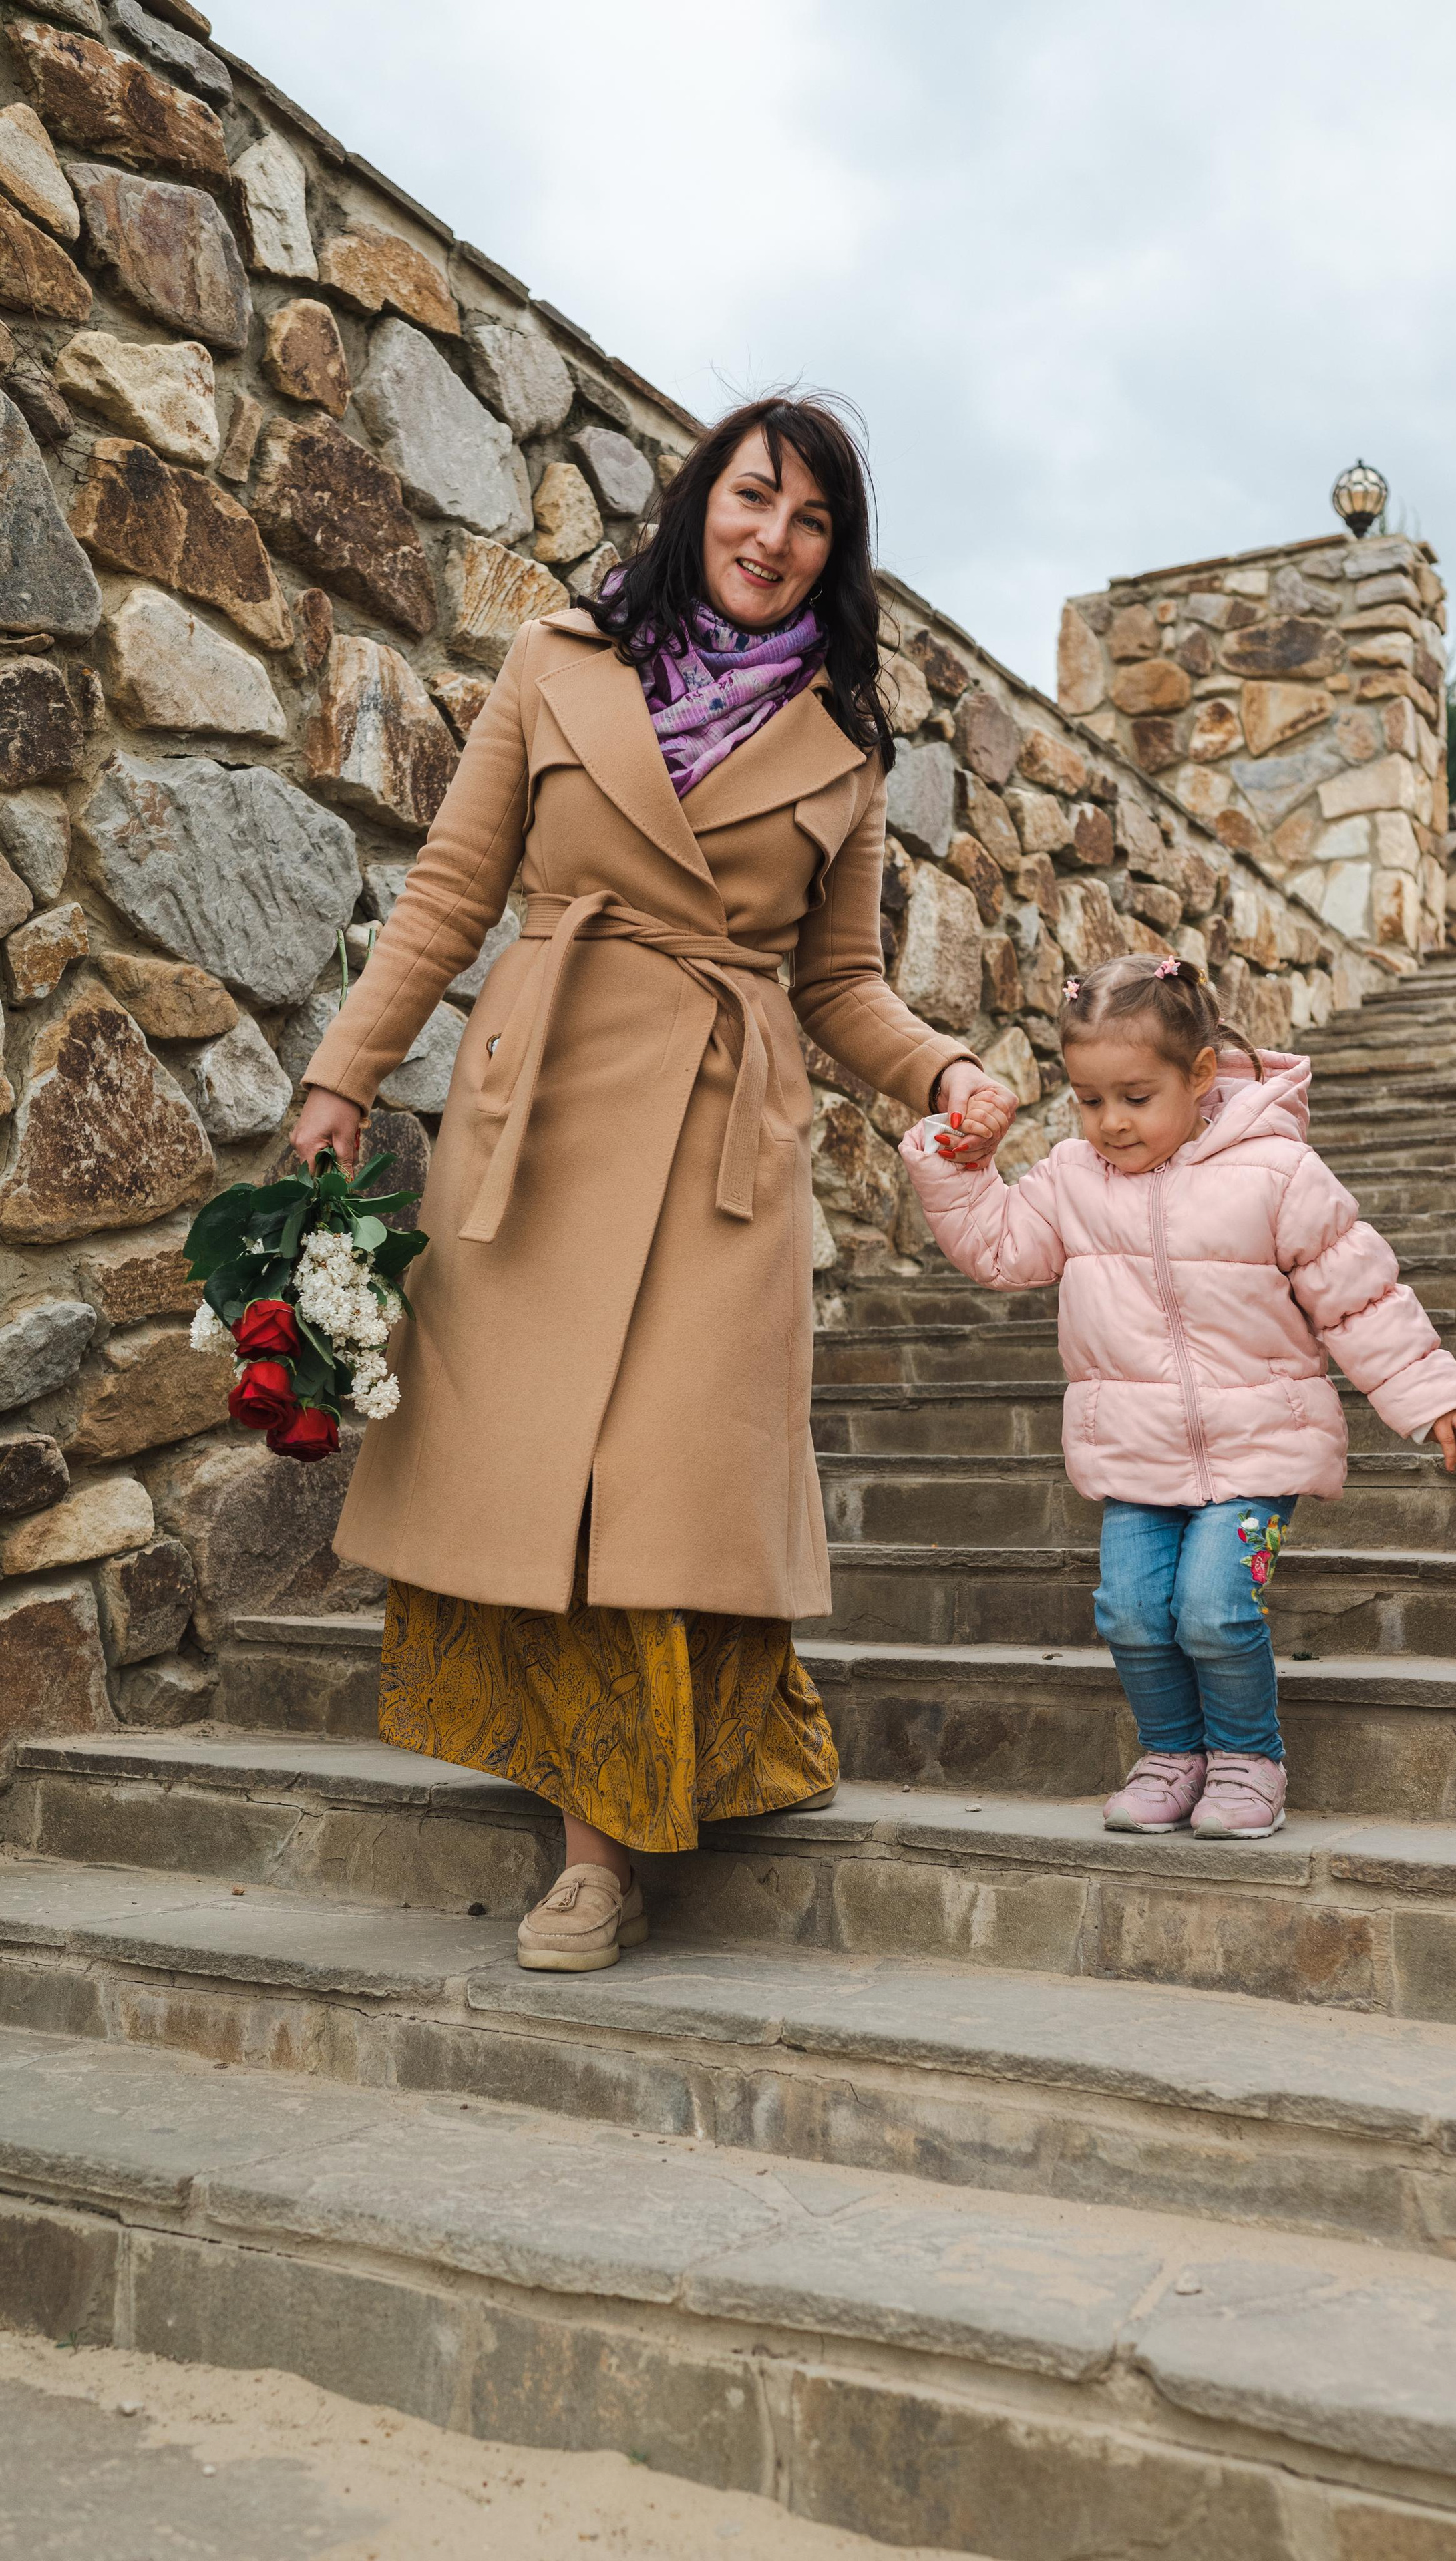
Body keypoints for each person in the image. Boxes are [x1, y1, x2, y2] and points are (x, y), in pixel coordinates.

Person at [289, 394, 1017, 1969]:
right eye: (753, 498)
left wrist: (943, 1071)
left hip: (715, 1144)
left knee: (659, 1483)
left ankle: (629, 1828)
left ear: (837, 556)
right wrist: (345, 1073)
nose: (773, 537)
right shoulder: (557, 664)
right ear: (699, 503)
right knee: (539, 1475)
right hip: (536, 1116)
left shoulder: (843, 746)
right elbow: (450, 890)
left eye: (811, 520)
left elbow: (841, 986)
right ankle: (595, 1842)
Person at [901, 953, 1456, 1841]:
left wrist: (1427, 1395)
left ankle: (1250, 1759)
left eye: (1136, 1097)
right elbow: (999, 1250)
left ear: (1201, 1073)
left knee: (1216, 1605)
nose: (1110, 1122)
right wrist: (962, 1165)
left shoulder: (1278, 1173)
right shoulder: (1070, 1179)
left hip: (1261, 1449)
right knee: (1132, 1611)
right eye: (1089, 1099)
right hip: (1136, 1454)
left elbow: (1357, 1296)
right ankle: (1173, 1753)